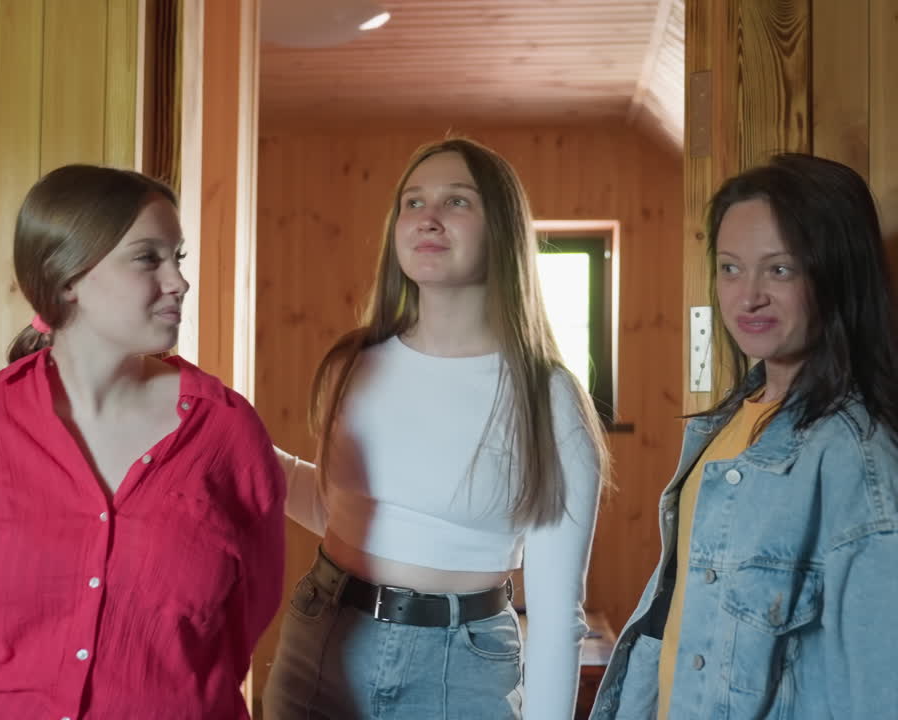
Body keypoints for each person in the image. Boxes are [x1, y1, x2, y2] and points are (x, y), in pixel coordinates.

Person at [0, 164, 286, 720]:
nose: (179, 281)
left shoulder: (227, 433)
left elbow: (242, 625)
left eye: (176, 257)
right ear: (67, 278)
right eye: (147, 257)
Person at [263, 137, 609, 719]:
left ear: (500, 228)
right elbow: (344, 511)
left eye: (457, 202)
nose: (428, 217)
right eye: (413, 202)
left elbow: (556, 618)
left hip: (461, 669)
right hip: (323, 639)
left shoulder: (547, 398)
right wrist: (227, 442)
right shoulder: (356, 364)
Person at [590, 153, 898, 719]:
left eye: (779, 269)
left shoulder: (857, 457)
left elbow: (880, 690)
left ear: (835, 274)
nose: (748, 296)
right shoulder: (728, 422)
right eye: (731, 268)